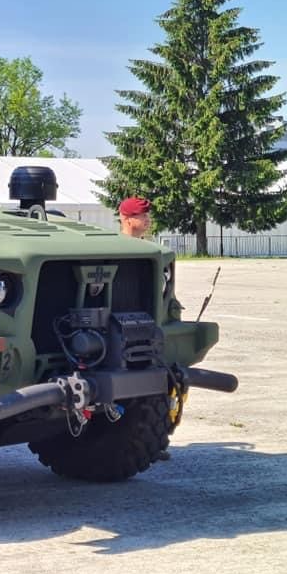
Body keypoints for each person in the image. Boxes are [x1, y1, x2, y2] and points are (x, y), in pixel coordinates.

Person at [118, 195, 171, 461]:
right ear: (127, 219)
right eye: (142, 216)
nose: (148, 220)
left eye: (147, 216)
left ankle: (155, 439)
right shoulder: (116, 249)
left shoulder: (148, 252)